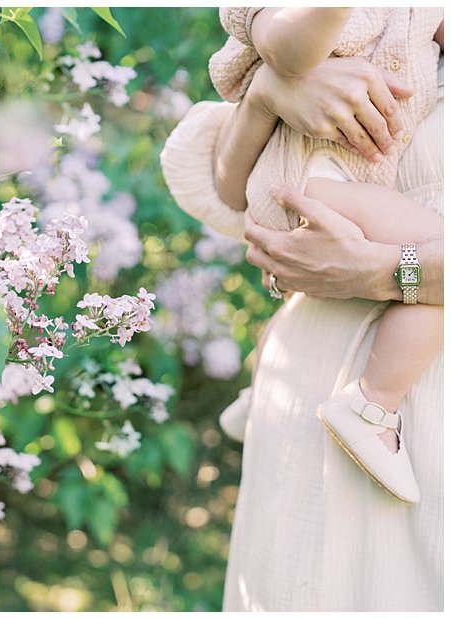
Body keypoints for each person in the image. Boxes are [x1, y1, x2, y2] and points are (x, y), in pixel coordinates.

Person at [161, 19, 443, 612]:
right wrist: (268, 93)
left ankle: (369, 405)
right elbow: (237, 190)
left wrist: (386, 273)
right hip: (305, 391)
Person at [207, 7, 443, 503]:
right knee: (432, 246)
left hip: (323, 190)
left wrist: (377, 272)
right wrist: (268, 93)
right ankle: (372, 405)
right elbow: (227, 184)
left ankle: (255, 392)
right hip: (313, 184)